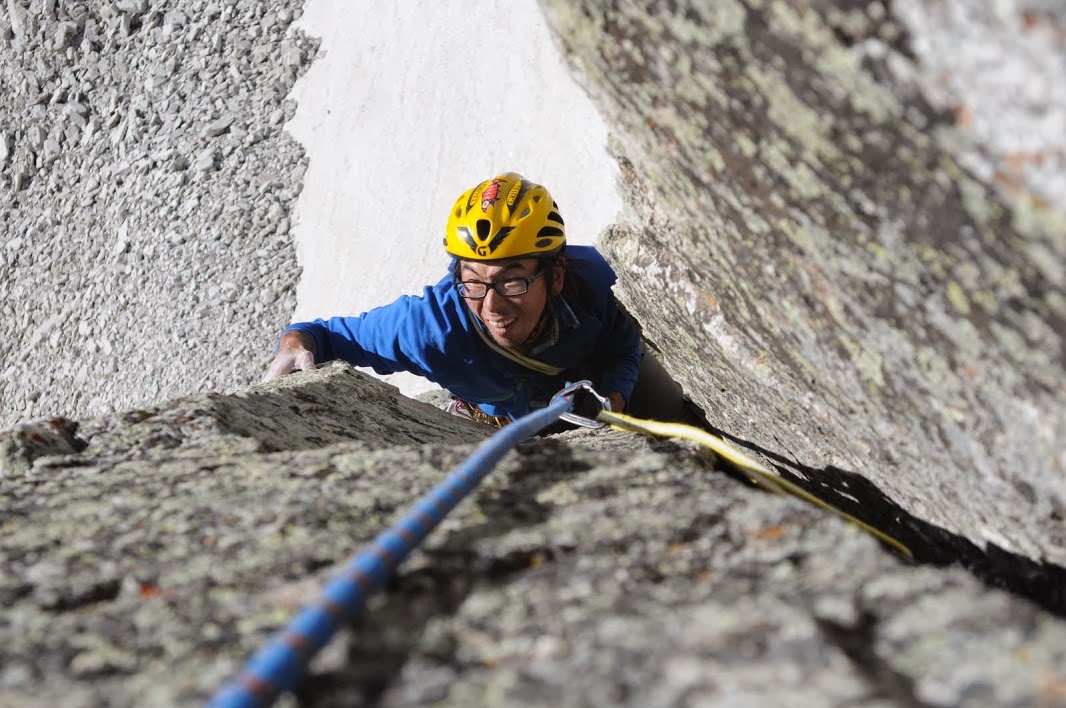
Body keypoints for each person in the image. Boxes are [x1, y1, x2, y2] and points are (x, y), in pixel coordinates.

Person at [263, 172, 690, 427]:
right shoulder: (430, 328)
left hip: (587, 394)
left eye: (512, 282)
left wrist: (615, 392)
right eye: (473, 283)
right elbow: (322, 336)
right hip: (503, 420)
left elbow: (622, 340)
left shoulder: (596, 280)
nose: (493, 307)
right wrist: (294, 346)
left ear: (556, 275)